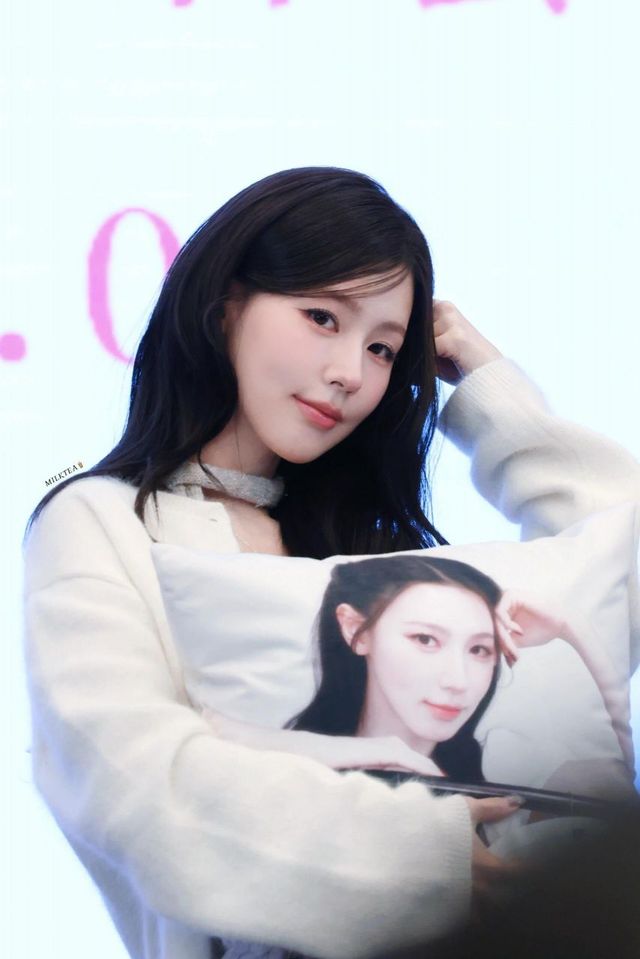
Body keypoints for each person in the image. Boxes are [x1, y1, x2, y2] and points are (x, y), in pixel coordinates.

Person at [21, 165, 640, 959]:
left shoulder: (373, 551)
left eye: (383, 348)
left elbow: (620, 556)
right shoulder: (103, 522)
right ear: (226, 303)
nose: (351, 372)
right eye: (322, 317)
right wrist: (426, 855)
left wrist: (489, 391)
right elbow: (133, 784)